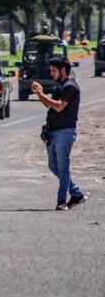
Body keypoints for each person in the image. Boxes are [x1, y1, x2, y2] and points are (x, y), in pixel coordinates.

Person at [31, 57, 87, 210]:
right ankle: (76, 193)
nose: (51, 74)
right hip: (53, 132)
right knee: (53, 166)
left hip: (65, 132)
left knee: (63, 167)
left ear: (63, 70)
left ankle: (61, 201)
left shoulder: (71, 87)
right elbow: (49, 105)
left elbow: (59, 106)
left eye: (53, 70)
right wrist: (39, 93)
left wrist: (42, 95)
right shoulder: (60, 86)